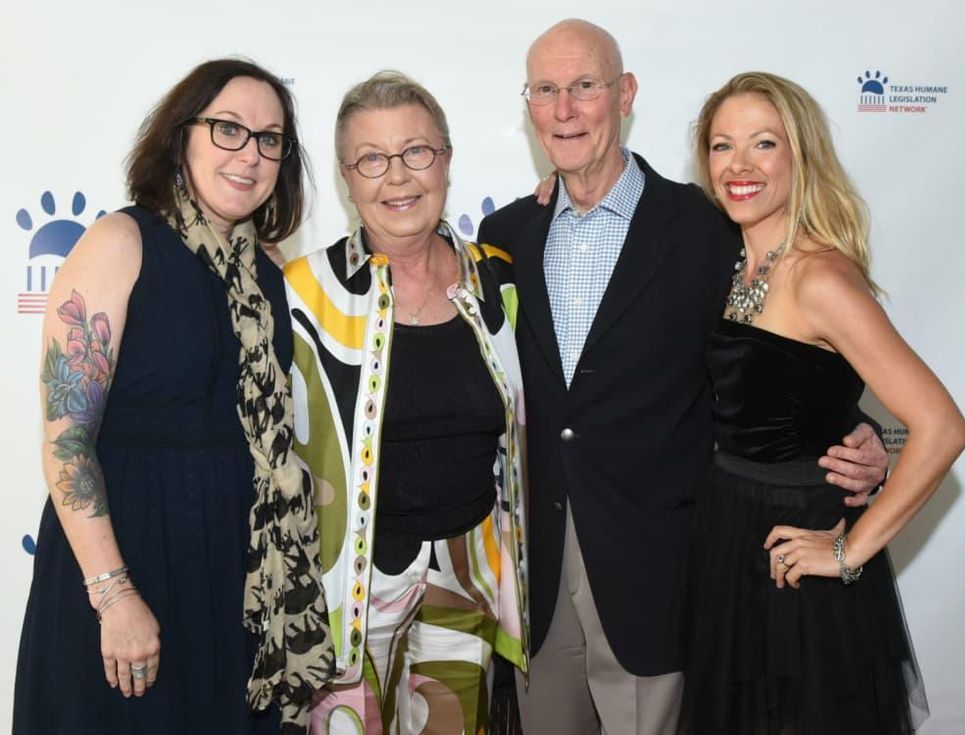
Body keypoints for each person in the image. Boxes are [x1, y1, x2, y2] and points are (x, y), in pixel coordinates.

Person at [477, 19, 889, 735]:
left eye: (584, 86)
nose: (564, 109)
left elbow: (775, 365)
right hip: (534, 574)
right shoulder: (506, 235)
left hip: (660, 569)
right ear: (529, 105)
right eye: (545, 90)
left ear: (625, 93)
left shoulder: (713, 228)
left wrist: (859, 433)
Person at [14, 59, 334, 734]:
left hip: (232, 582)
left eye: (269, 139)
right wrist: (114, 594)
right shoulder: (121, 241)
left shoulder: (263, 275)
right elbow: (67, 441)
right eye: (228, 129)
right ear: (180, 134)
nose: (250, 154)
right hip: (127, 566)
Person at [679, 71, 965, 733]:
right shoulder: (737, 262)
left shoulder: (820, 278)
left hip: (796, 547)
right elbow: (797, 386)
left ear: (800, 154)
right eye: (723, 146)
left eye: (764, 143)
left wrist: (847, 552)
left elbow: (942, 426)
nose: (740, 165)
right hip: (731, 534)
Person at [283, 71, 528, 735]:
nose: (397, 177)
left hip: (469, 575)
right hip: (350, 587)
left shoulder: (496, 278)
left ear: (446, 160)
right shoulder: (304, 294)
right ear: (346, 177)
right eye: (372, 159)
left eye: (416, 151)